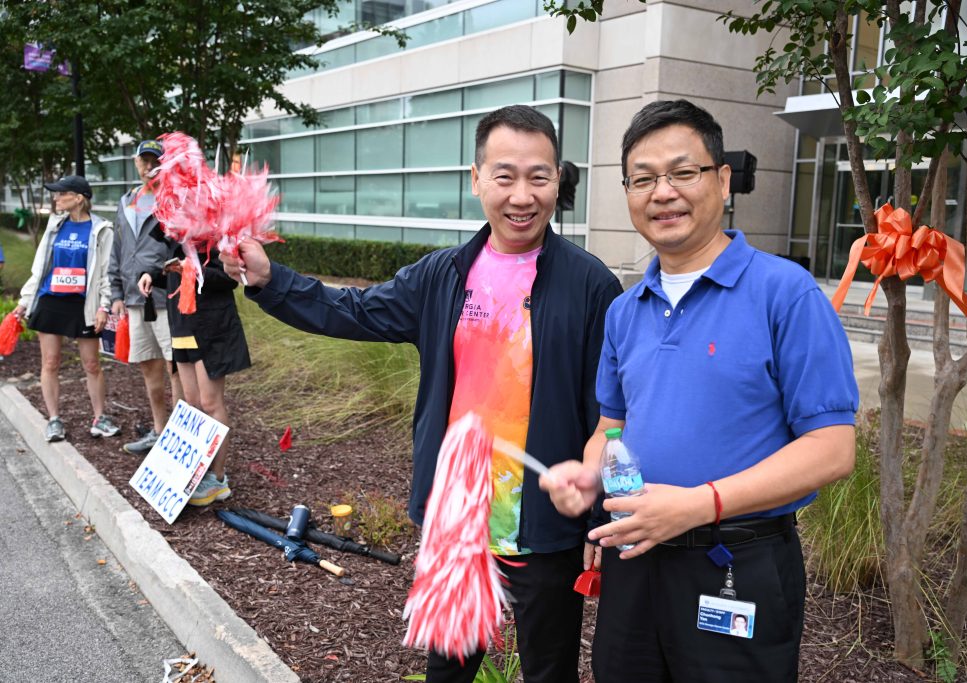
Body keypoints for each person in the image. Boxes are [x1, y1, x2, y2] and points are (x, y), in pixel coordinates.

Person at [221, 105, 622, 683]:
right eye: (504, 175)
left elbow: (608, 414)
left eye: (539, 176)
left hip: (546, 526)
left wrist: (598, 519)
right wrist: (269, 280)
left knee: (549, 670)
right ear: (476, 178)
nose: (522, 195)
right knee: (448, 671)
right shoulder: (444, 275)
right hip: (457, 519)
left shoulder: (591, 285)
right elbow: (350, 310)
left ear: (559, 180)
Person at [540, 99, 859, 682]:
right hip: (635, 557)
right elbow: (613, 430)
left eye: (683, 172)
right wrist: (589, 477)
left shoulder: (785, 293)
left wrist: (695, 505)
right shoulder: (624, 311)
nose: (663, 192)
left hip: (738, 561)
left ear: (723, 180)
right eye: (643, 179)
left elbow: (832, 449)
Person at [138, 238, 250, 505]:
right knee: (193, 403)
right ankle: (200, 470)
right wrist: (152, 275)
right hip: (182, 325)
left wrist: (191, 267)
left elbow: (230, 278)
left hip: (210, 327)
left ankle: (218, 478)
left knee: (211, 403)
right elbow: (175, 277)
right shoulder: (177, 237)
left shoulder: (218, 238)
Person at [14, 175, 121, 442]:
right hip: (51, 301)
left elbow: (107, 273)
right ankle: (54, 420)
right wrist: (25, 300)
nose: (56, 198)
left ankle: (99, 418)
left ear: (79, 198)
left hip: (83, 304)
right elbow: (40, 268)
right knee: (50, 362)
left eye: (61, 194)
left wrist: (104, 307)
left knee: (92, 364)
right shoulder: (55, 226)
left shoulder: (101, 230)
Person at [108, 140, 183, 454]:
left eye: (155, 160)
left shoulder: (173, 203)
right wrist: (116, 292)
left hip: (167, 297)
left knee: (175, 367)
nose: (149, 166)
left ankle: (181, 437)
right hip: (134, 299)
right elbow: (117, 248)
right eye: (144, 160)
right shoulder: (126, 202)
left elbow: (181, 249)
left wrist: (159, 273)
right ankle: (159, 430)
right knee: (149, 366)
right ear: (136, 163)